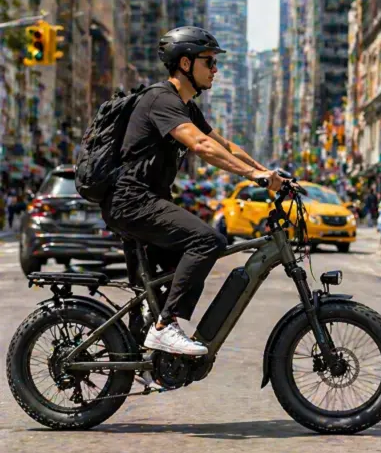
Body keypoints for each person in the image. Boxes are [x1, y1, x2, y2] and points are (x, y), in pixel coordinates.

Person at [100, 26, 286, 355]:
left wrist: (266, 172)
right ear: (185, 64)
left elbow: (224, 145)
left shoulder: (186, 107)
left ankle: (148, 343)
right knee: (207, 241)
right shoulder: (161, 100)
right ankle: (164, 327)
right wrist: (251, 175)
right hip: (132, 201)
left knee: (183, 268)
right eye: (209, 62)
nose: (215, 70)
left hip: (146, 201)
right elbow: (200, 145)